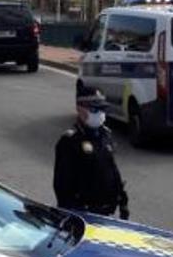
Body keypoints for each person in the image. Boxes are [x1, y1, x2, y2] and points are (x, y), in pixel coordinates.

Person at [53, 88, 130, 220]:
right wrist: (73, 215)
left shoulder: (105, 134)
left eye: (102, 109)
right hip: (84, 214)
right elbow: (62, 186)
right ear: (79, 109)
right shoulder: (70, 141)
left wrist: (122, 200)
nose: (100, 114)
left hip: (107, 212)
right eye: (94, 109)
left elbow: (112, 169)